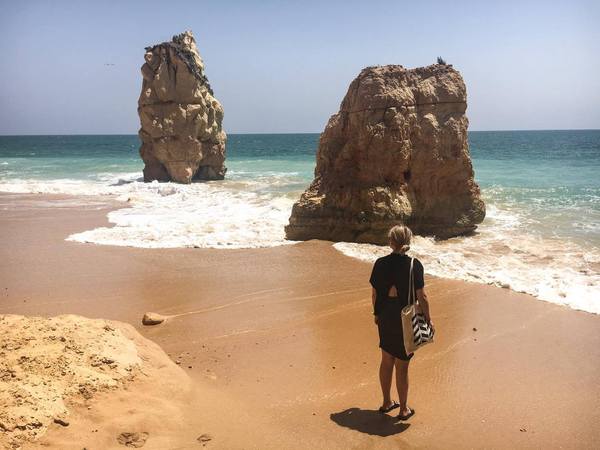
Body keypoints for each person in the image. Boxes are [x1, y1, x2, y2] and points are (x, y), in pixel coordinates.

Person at [369, 224, 431, 420]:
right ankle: (403, 409)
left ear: (390, 242)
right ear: (409, 241)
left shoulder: (380, 263)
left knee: (386, 359)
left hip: (386, 314)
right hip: (405, 316)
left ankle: (387, 402)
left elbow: (375, 294)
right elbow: (422, 296)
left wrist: (377, 314)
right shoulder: (414, 265)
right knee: (402, 366)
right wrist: (428, 320)